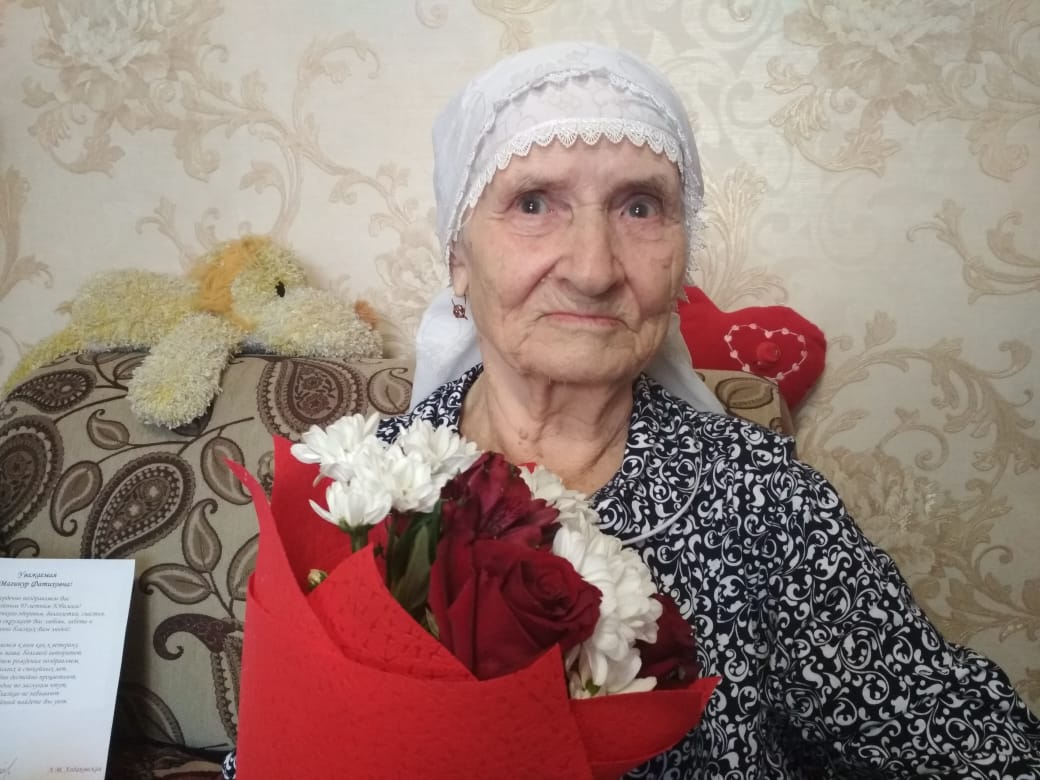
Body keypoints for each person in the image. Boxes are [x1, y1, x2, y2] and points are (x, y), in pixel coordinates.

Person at [224, 41, 1040, 778]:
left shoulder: (761, 500)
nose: (592, 268)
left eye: (639, 207)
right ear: (458, 259)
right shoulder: (355, 494)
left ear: (681, 254)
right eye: (534, 202)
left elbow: (984, 750)